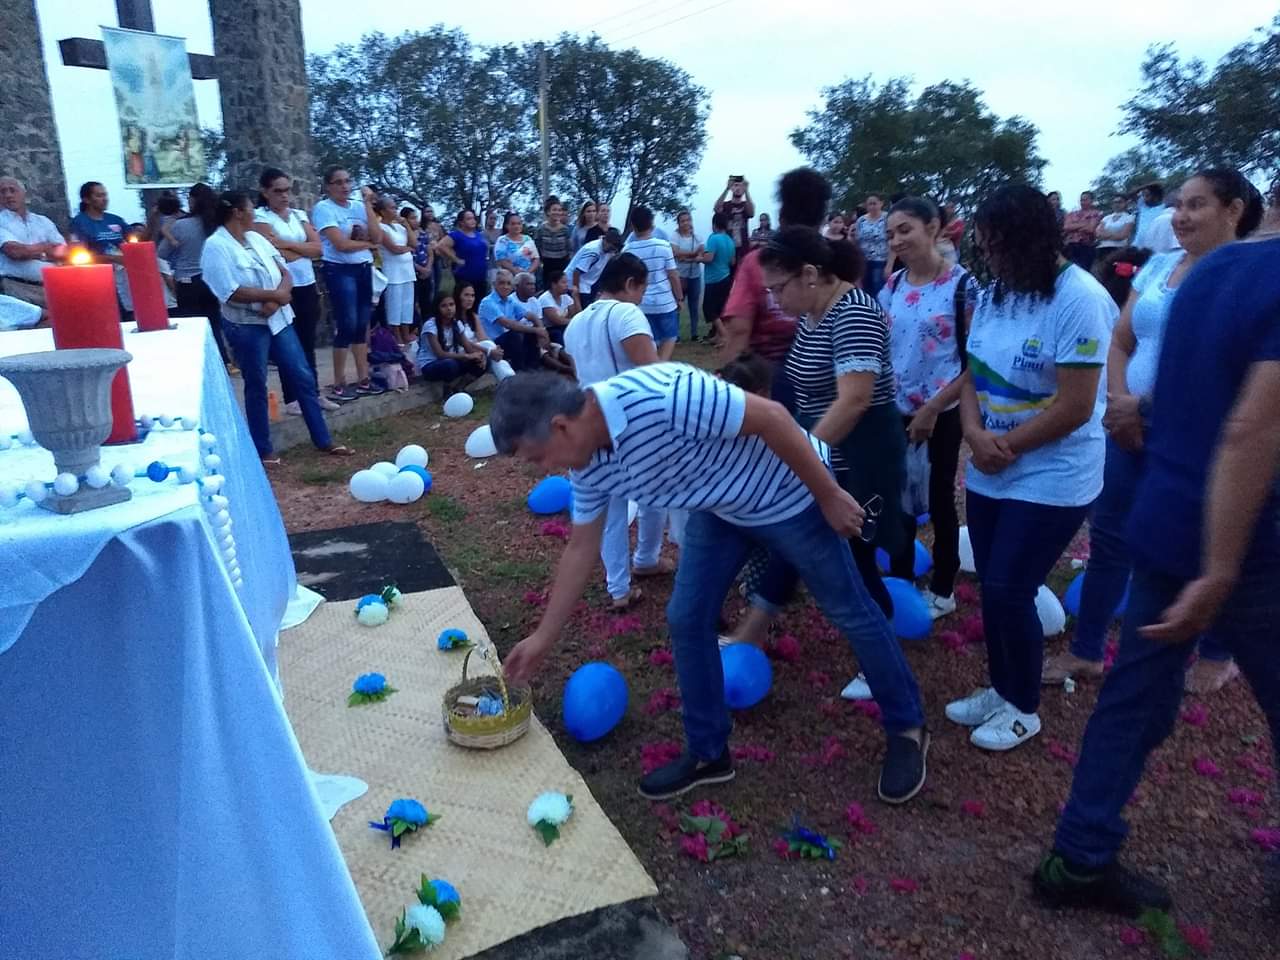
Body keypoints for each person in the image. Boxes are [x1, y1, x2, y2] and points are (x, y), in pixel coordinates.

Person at [493, 365, 930, 805]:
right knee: (686, 617)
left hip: (789, 496)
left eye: (537, 458)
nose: (544, 469)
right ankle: (709, 753)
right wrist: (544, 637)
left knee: (849, 609)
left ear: (561, 425)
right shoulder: (588, 463)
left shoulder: (664, 397)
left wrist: (828, 495)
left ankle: (907, 726)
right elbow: (580, 548)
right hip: (719, 507)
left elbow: (774, 418)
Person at [1032, 174, 1273, 918]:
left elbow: (1185, 388)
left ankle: (1078, 854)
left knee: (1133, 694)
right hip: (1255, 543)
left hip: (1168, 515)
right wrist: (1225, 565)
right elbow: (1251, 430)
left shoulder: (1210, 274)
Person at [1042, 169, 1258, 693]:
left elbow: (1236, 369)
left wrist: (1146, 408)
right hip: (1127, 425)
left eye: (1197, 205)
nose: (1180, 215)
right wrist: (1119, 404)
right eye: (1178, 204)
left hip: (1204, 435)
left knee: (1214, 539)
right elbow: (1121, 341)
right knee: (1110, 536)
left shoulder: (1248, 276)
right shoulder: (1158, 265)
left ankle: (1216, 651)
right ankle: (1088, 650)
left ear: (1233, 210)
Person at [946, 184, 1116, 752]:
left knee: (1010, 588)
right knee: (994, 590)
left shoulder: (1080, 298)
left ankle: (1023, 708)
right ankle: (1002, 687)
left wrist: (1007, 445)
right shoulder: (998, 292)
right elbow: (973, 372)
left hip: (1054, 471)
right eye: (984, 246)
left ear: (1030, 241)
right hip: (994, 460)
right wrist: (972, 434)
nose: (988, 258)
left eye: (997, 246)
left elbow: (1075, 405)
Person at [727, 227, 907, 696]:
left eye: (778, 288)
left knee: (858, 556)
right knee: (804, 538)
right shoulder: (813, 311)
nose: (774, 300)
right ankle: (757, 626)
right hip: (826, 448)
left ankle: (881, 656)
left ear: (810, 274)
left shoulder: (855, 313)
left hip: (860, 455)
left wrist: (798, 456)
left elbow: (854, 400)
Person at [200, 190, 353, 463]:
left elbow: (284, 270)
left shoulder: (257, 239)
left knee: (302, 375)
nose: (254, 213)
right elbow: (229, 291)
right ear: (238, 212)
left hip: (279, 319)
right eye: (249, 208)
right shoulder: (216, 246)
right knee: (256, 382)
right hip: (247, 325)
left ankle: (323, 439)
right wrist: (272, 297)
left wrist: (281, 295)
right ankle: (263, 449)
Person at [880, 197, 978, 619]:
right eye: (890, 234)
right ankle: (901, 582)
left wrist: (934, 408)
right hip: (894, 408)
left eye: (905, 230)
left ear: (934, 228)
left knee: (938, 496)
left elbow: (977, 360)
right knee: (897, 496)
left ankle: (942, 587)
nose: (897, 240)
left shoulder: (963, 286)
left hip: (944, 409)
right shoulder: (893, 286)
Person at [562, 253, 669, 610]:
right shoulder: (626, 314)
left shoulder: (575, 322)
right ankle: (647, 557)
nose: (642, 297)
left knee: (608, 508)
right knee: (655, 494)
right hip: (630, 422)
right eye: (641, 289)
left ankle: (619, 589)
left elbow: (579, 374)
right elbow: (652, 373)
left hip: (587, 421)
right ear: (629, 284)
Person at [721, 166, 831, 402]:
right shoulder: (837, 259)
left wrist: (727, 385)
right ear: (823, 219)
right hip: (828, 375)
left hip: (770, 375)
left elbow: (739, 329)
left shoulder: (757, 262)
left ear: (781, 216)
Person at [252, 169, 338, 413]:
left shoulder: (299, 215)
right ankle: (292, 397)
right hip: (283, 285)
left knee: (308, 341)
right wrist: (300, 249)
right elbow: (273, 252)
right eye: (277, 191)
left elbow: (318, 249)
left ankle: (314, 392)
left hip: (307, 284)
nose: (284, 196)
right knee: (289, 342)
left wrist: (288, 244)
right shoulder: (261, 217)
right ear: (266, 192)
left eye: (287, 190)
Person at [311, 166, 383, 402]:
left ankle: (363, 378)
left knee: (362, 323)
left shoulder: (359, 207)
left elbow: (378, 237)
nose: (344, 186)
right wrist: (369, 246)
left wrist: (369, 205)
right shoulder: (324, 209)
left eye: (347, 181)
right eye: (338, 182)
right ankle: (339, 380)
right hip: (340, 269)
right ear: (329, 186)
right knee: (347, 322)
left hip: (362, 268)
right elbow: (340, 244)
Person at [161, 183, 234, 370]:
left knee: (193, 326)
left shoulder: (180, 226)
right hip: (211, 280)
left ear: (192, 200)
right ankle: (223, 361)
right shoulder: (217, 225)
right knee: (214, 322)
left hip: (187, 281)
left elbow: (161, 253)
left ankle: (201, 364)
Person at [621, 206, 682, 360]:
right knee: (669, 338)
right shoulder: (663, 246)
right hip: (665, 302)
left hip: (641, 304)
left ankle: (653, 369)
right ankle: (659, 368)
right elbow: (673, 275)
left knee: (649, 342)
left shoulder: (627, 250)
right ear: (652, 224)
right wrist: (679, 297)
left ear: (633, 226)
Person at [0, 176, 66, 305]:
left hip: (53, 286)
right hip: (18, 288)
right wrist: (46, 248)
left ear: (24, 194)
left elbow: (64, 252)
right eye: (2, 192)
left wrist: (31, 252)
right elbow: (15, 252)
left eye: (12, 190)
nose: (8, 195)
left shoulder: (43, 221)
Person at [416, 290, 487, 390]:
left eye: (451, 305)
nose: (449, 309)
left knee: (481, 362)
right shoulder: (430, 325)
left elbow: (468, 347)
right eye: (444, 306)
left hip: (452, 360)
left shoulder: (457, 323)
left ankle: (459, 388)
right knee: (450, 365)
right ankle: (447, 389)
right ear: (437, 308)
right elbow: (440, 354)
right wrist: (467, 356)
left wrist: (479, 356)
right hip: (431, 365)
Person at [478, 269, 546, 371]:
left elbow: (531, 315)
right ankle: (520, 371)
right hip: (493, 344)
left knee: (529, 332)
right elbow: (507, 323)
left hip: (507, 340)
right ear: (494, 284)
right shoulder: (488, 302)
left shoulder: (510, 301)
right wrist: (537, 330)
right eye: (501, 283)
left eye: (509, 283)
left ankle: (533, 369)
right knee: (516, 334)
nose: (505, 286)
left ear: (512, 286)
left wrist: (541, 330)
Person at [375, 198, 417, 346]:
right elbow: (394, 249)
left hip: (407, 271)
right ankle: (396, 335)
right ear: (383, 211)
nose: (395, 211)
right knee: (394, 305)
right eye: (391, 208)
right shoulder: (380, 227)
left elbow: (414, 243)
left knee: (407, 304)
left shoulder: (400, 227)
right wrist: (407, 249)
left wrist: (406, 224)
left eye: (395, 207)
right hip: (393, 272)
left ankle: (406, 333)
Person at [455, 280, 514, 382]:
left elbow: (483, 338)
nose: (470, 299)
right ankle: (508, 380)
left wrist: (494, 349)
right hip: (463, 351)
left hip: (479, 350)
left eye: (472, 296)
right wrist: (489, 351)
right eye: (466, 295)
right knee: (491, 349)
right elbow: (465, 343)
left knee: (493, 347)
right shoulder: (454, 318)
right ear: (458, 296)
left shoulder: (473, 316)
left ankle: (509, 379)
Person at [437, 207, 490, 301]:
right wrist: (456, 259)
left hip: (481, 277)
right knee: (464, 303)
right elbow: (441, 246)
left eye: (473, 218)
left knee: (480, 302)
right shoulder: (456, 235)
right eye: (469, 219)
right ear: (461, 222)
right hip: (465, 277)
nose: (473, 221)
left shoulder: (478, 235)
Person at [68, 181, 129, 262]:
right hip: (98, 270)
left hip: (124, 269)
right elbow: (79, 256)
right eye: (99, 196)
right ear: (86, 200)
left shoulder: (116, 220)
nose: (105, 199)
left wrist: (151, 220)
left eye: (105, 195)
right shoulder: (78, 223)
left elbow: (138, 242)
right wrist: (113, 258)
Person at [567, 227, 622, 312]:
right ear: (606, 241)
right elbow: (577, 271)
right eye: (611, 248)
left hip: (588, 283)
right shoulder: (593, 251)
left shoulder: (608, 251)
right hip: (577, 283)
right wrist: (576, 292)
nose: (612, 251)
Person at [701, 212, 736, 345]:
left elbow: (709, 258)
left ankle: (724, 335)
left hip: (714, 278)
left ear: (714, 225)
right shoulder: (730, 240)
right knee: (720, 308)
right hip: (726, 277)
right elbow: (732, 262)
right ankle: (717, 336)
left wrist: (699, 258)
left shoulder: (714, 238)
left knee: (709, 309)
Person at [670, 210, 704, 341]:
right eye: (683, 221)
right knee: (678, 304)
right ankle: (675, 335)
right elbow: (675, 252)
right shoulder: (675, 236)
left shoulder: (697, 236)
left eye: (688, 220)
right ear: (678, 223)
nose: (686, 223)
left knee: (694, 305)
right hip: (680, 276)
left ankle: (694, 334)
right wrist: (693, 254)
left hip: (694, 275)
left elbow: (701, 252)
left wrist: (686, 257)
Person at [714, 176, 755, 265]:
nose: (738, 188)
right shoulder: (726, 205)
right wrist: (727, 188)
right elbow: (716, 209)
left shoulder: (745, 204)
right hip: (728, 246)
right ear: (732, 187)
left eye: (740, 186)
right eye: (735, 185)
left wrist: (746, 191)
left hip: (743, 247)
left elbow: (751, 213)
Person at [854, 194, 889, 296]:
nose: (872, 206)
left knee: (879, 289)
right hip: (863, 261)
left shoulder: (887, 218)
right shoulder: (861, 220)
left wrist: (889, 264)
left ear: (881, 203)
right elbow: (857, 240)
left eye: (875, 203)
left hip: (880, 261)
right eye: (870, 204)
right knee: (865, 289)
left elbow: (892, 241)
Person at [1063, 191, 1103, 270]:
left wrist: (1074, 226)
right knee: (1070, 270)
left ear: (1092, 200)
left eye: (1085, 200)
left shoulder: (1097, 213)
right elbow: (1066, 227)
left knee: (1083, 271)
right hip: (1071, 246)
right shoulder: (1072, 213)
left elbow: (1091, 228)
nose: (1083, 202)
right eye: (1081, 200)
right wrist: (1083, 224)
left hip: (1086, 246)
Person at [535, 197, 572, 281]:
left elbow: (569, 249)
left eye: (559, 210)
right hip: (547, 265)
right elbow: (537, 247)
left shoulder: (565, 230)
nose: (557, 212)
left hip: (562, 265)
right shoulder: (541, 229)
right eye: (554, 210)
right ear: (548, 212)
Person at [538, 269, 576, 346]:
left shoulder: (566, 297)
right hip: (549, 329)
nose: (567, 285)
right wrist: (575, 321)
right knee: (559, 333)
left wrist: (576, 296)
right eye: (563, 282)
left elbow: (576, 314)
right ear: (554, 284)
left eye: (567, 282)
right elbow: (557, 321)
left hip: (564, 326)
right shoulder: (545, 298)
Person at [494, 212, 540, 276]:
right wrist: (516, 272)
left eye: (519, 223)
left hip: (528, 277)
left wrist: (528, 273)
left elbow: (536, 259)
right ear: (507, 225)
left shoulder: (528, 239)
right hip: (508, 277)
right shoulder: (502, 240)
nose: (516, 226)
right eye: (513, 224)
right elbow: (501, 260)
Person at [1132, 182, 1164, 249]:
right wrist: (1145, 187)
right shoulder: (1142, 206)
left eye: (1147, 195)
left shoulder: (1164, 208)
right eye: (1143, 195)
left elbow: (1159, 183)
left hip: (1155, 246)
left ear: (1156, 196)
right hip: (1137, 246)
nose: (1144, 198)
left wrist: (1150, 187)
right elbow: (1132, 193)